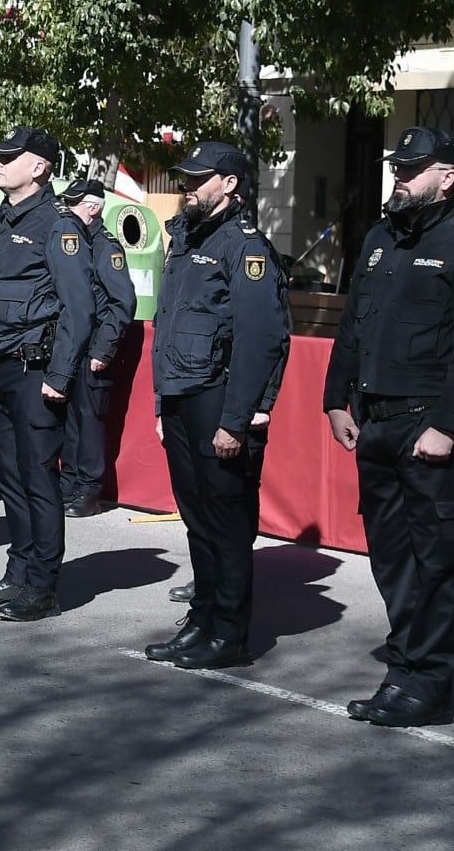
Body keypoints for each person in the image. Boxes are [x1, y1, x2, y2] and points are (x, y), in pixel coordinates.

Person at [323, 126, 454, 727]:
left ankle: (428, 683)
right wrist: (335, 400)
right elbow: (354, 326)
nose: (398, 177)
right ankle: (406, 663)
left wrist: (448, 426)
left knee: (441, 561)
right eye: (397, 168)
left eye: (411, 169)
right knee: (392, 556)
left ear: (446, 177)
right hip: (376, 422)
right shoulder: (380, 238)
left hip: (430, 428)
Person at [142, 144, 290, 671]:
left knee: (227, 524)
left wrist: (237, 418)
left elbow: (262, 339)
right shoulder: (187, 239)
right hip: (182, 397)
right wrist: (162, 404)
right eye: (185, 179)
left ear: (229, 184)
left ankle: (229, 634)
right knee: (198, 519)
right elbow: (168, 328)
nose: (187, 187)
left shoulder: (243, 246)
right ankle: (201, 621)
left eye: (198, 179)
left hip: (218, 398)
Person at [0, 126, 95, 622]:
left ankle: (42, 584)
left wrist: (59, 378)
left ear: (38, 167)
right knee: (10, 477)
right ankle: (17, 573)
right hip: (0, 367)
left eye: (6, 156)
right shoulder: (4, 216)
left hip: (35, 371)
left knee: (39, 478)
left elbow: (79, 310)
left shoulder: (56, 225)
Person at [59, 178, 139, 517]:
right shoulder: (77, 243)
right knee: (71, 418)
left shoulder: (105, 246)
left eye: (73, 204)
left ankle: (89, 490)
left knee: (90, 419)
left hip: (93, 346)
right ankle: (69, 481)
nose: (66, 210)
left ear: (92, 208)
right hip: (73, 344)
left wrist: (102, 350)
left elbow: (123, 302)